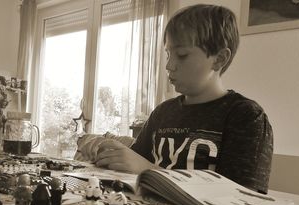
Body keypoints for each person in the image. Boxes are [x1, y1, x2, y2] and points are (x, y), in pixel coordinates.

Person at [77, 4, 273, 194]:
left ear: (219, 59)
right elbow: (133, 164)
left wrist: (148, 169)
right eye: (168, 54)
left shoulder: (246, 116)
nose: (169, 65)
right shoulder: (163, 112)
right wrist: (110, 154)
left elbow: (242, 199)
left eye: (182, 55)